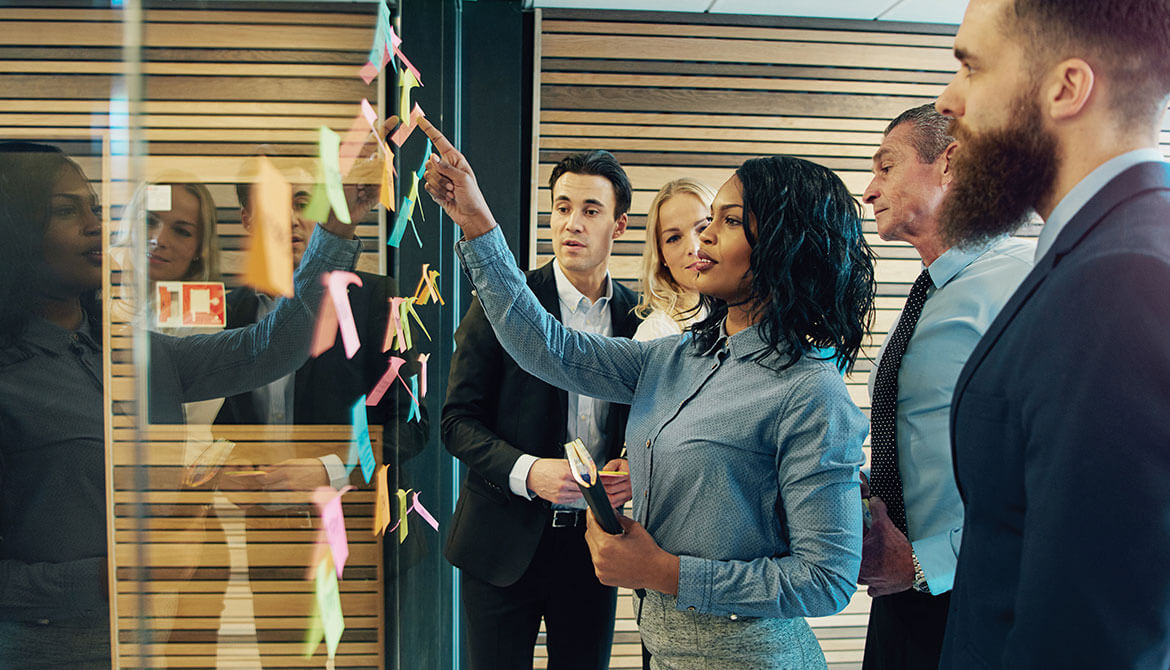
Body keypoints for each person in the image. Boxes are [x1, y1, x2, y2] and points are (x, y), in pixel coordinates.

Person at [424, 117, 875, 669]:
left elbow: (825, 580)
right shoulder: (677, 356)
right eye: (709, 220)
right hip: (664, 653)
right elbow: (546, 348)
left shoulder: (810, 392)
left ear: (783, 247)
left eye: (727, 222)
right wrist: (475, 221)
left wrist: (663, 572)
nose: (703, 236)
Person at [0, 142, 362, 668]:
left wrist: (337, 228)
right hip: (48, 647)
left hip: (152, 631)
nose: (93, 225)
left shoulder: (137, 352)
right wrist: (103, 576)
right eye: (65, 210)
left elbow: (274, 347)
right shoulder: (15, 375)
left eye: (95, 208)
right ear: (14, 228)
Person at [933, 1, 1170, 667]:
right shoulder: (1109, 252)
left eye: (972, 69)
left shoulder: (1123, 280)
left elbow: (1090, 637)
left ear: (1066, 87)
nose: (948, 101)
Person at [441, 148, 639, 670]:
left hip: (595, 548)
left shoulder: (642, 319)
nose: (572, 223)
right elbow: (456, 423)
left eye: (591, 210)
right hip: (500, 546)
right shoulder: (507, 302)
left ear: (619, 225)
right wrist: (530, 473)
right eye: (562, 207)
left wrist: (634, 467)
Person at [856, 104, 1034, 670]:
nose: (869, 189)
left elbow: (1056, 469)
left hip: (979, 601)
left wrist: (927, 562)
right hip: (898, 600)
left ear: (949, 163)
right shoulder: (921, 301)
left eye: (886, 166)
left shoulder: (1022, 285)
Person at [633, 178, 715, 342]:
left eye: (703, 228)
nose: (693, 248)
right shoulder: (657, 332)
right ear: (661, 255)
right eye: (674, 238)